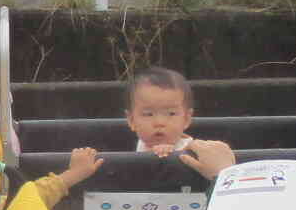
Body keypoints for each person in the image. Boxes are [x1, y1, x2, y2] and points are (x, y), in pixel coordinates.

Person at [30, 66, 199, 202]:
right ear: (131, 120)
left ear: (187, 118)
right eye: (148, 114)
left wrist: (175, 155)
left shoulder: (197, 150)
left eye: (171, 114)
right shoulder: (134, 147)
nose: (159, 122)